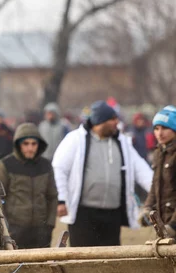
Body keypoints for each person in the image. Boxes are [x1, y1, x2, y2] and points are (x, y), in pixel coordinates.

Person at [53, 101, 152, 247]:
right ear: (100, 121)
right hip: (83, 214)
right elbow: (60, 168)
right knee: (82, 258)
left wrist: (158, 190)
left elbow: (141, 170)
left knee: (109, 260)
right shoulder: (75, 139)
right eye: (112, 119)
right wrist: (61, 199)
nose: (116, 122)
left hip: (112, 215)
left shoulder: (122, 143)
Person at [0, 123, 58, 248]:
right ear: (18, 144)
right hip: (14, 230)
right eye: (26, 144)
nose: (30, 148)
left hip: (41, 231)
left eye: (34, 144)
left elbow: (52, 196)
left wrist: (49, 225)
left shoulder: (46, 165)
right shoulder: (5, 165)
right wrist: (5, 227)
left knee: (41, 266)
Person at [139, 106, 176, 235]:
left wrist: (173, 226)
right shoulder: (159, 152)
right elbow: (155, 184)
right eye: (156, 128)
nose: (159, 133)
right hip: (164, 223)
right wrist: (147, 208)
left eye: (165, 128)